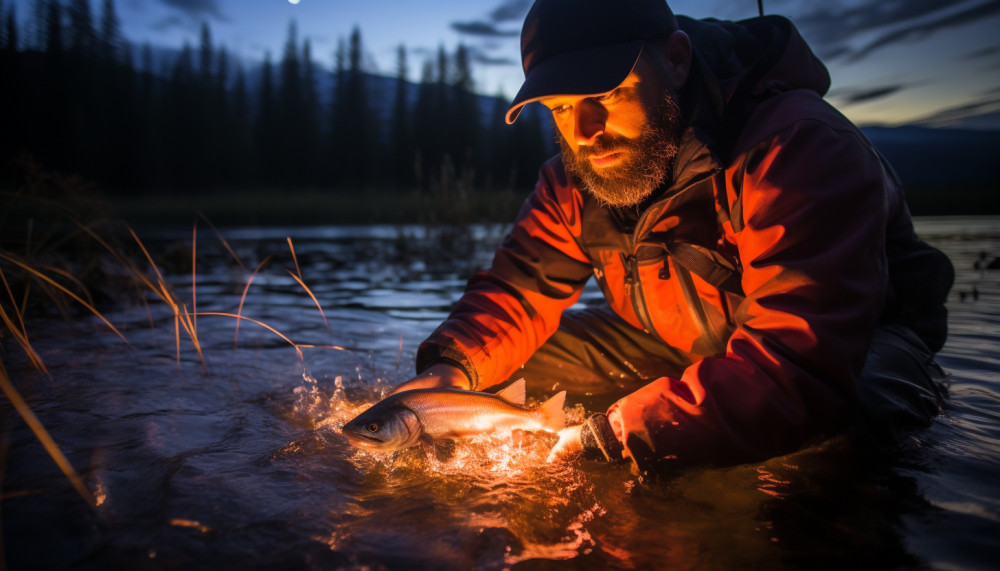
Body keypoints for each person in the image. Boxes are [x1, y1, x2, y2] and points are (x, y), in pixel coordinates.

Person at [393, 0, 954, 475]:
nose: (585, 132)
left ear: (677, 60)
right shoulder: (573, 178)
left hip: (859, 346)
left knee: (849, 428)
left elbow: (800, 364)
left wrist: (616, 436)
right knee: (506, 375)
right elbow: (517, 289)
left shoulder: (795, 148)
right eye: (561, 108)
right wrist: (451, 374)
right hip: (676, 343)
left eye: (607, 93)